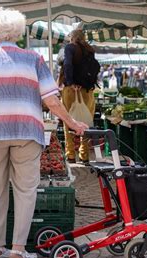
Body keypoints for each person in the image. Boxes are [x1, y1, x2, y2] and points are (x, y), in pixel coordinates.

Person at [0, 8, 88, 258]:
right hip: (27, 131)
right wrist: (71, 122)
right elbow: (52, 100)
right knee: (25, 190)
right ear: (19, 32)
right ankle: (17, 251)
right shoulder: (34, 60)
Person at [61, 29, 96, 163]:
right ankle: (84, 154)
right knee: (86, 121)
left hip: (71, 90)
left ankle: (70, 154)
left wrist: (70, 82)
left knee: (67, 119)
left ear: (72, 38)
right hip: (87, 91)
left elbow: (67, 64)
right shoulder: (90, 50)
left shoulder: (70, 48)